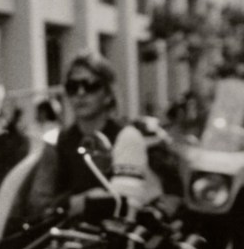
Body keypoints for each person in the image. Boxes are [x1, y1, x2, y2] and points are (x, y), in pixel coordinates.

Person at [13, 52, 157, 227]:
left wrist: (73, 204)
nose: (80, 93)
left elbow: (123, 207)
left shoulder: (127, 136)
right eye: (72, 87)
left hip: (111, 243)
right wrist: (80, 201)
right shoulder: (56, 141)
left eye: (90, 85)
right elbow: (38, 205)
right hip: (62, 242)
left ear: (108, 94)